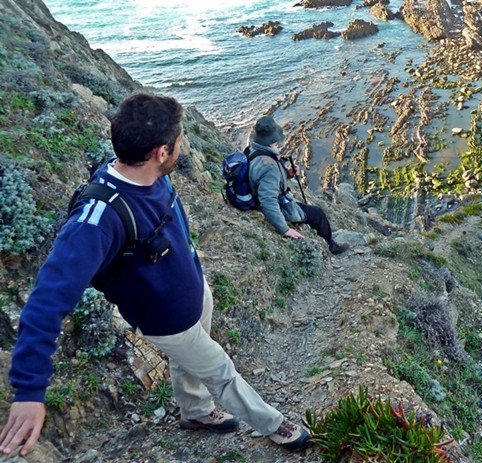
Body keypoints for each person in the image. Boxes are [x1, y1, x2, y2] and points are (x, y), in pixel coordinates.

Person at [0, 94, 310, 457]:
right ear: (162, 152)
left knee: (189, 361)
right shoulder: (97, 220)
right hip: (166, 319)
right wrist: (29, 390)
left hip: (192, 292)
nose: (183, 146)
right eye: (179, 141)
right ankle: (275, 425)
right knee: (220, 371)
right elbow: (45, 301)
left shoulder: (148, 174)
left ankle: (195, 412)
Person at [246, 116, 347, 255]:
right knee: (318, 214)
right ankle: (331, 247)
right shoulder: (268, 165)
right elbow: (267, 200)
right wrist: (284, 229)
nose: (278, 145)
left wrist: (288, 173)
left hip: (257, 195)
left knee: (312, 211)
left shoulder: (253, 149)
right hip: (278, 205)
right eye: (276, 143)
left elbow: (263, 179)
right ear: (271, 141)